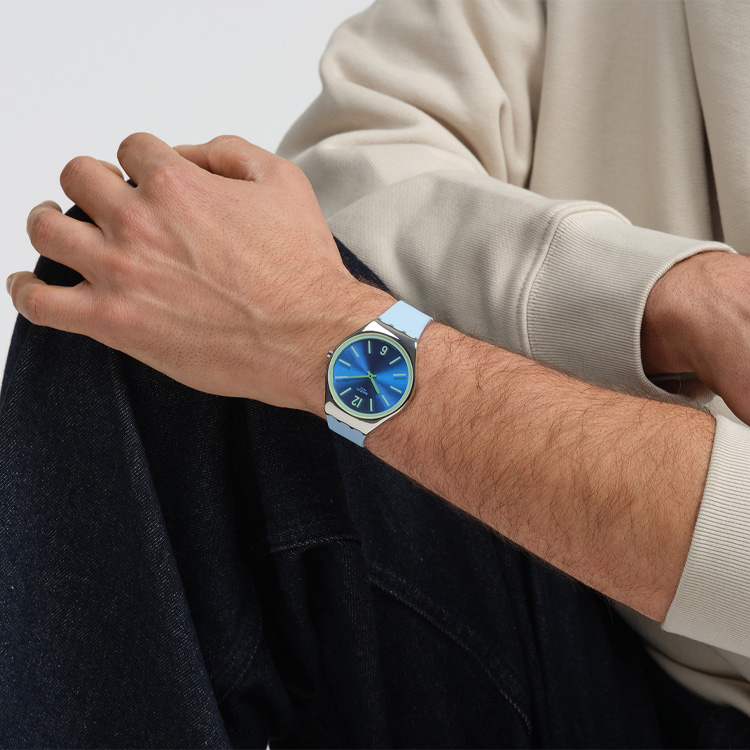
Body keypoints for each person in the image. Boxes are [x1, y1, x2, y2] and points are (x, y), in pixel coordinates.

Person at [2, 1, 750, 747]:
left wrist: (321, 328)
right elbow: (356, 164)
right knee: (136, 278)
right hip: (582, 616)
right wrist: (654, 297)